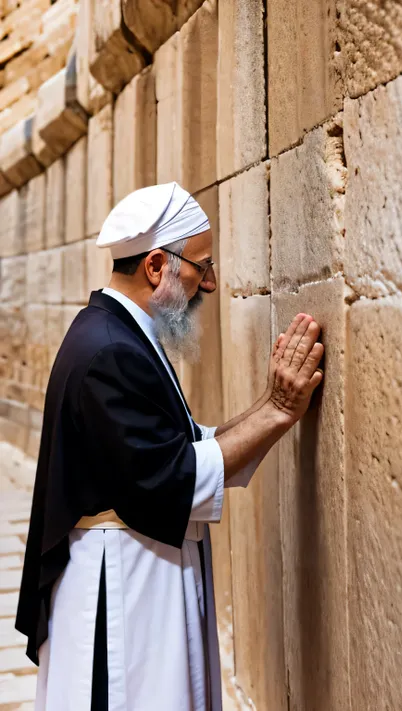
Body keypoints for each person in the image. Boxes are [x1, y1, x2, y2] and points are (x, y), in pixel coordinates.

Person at [15, 182, 324, 711]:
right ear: (156, 266)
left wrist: (269, 404)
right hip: (125, 591)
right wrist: (276, 410)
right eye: (201, 267)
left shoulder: (118, 333)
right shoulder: (109, 350)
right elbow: (171, 475)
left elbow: (181, 444)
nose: (210, 283)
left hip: (140, 569)